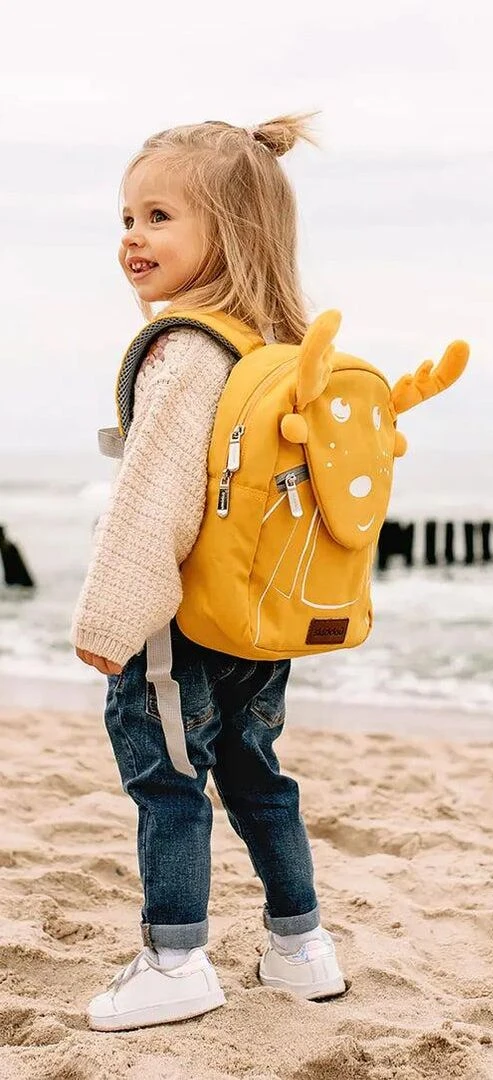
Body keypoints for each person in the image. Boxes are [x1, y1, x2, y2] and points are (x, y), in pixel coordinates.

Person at [71, 114, 346, 1033]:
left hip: (177, 627)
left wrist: (109, 623)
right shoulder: (274, 351)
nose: (131, 238)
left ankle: (176, 959)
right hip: (259, 619)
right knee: (257, 772)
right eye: (126, 217)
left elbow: (154, 501)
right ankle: (301, 947)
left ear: (226, 235)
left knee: (167, 782)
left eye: (157, 217)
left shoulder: (183, 352)